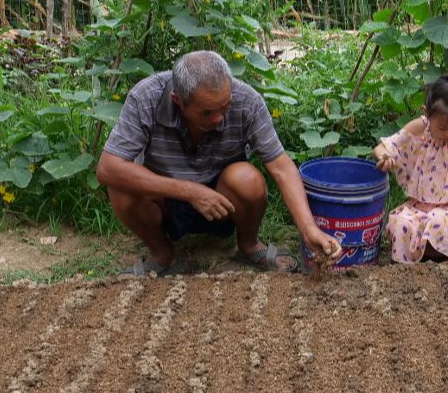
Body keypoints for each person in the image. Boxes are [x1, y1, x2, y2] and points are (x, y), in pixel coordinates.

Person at [96, 50, 341, 275]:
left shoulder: (248, 101)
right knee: (121, 186)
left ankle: (249, 245)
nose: (218, 118)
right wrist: (191, 191)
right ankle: (162, 256)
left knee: (248, 179)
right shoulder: (146, 97)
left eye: (225, 107)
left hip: (224, 202)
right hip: (165, 199)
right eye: (206, 112)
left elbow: (281, 167)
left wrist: (308, 228)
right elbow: (108, 168)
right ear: (178, 100)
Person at [372, 75, 448, 262]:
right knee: (401, 223)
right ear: (427, 113)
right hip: (418, 208)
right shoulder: (419, 130)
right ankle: (407, 265)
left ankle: (442, 261)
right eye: (443, 128)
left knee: (438, 222)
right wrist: (385, 157)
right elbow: (382, 147)